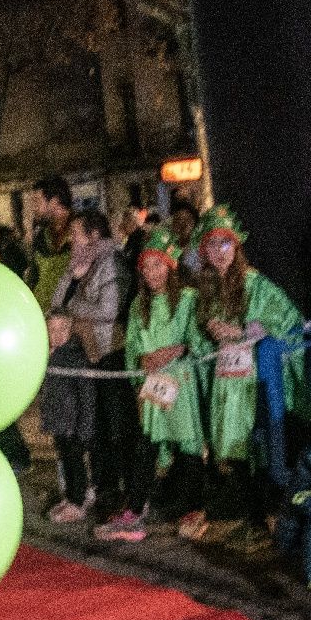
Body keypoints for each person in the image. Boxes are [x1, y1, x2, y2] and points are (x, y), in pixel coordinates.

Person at [182, 204, 304, 552]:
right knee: (235, 454)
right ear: (203, 250)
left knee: (262, 451)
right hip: (226, 382)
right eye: (212, 244)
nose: (219, 252)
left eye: (226, 244)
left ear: (237, 247)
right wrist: (210, 331)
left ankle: (271, 522)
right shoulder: (206, 289)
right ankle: (254, 520)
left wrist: (248, 330)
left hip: (254, 383)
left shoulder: (256, 284)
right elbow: (197, 339)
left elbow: (290, 321)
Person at [104, 228, 203, 539]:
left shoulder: (188, 299)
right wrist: (140, 363)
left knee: (187, 446)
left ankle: (194, 508)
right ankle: (135, 509)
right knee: (146, 444)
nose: (151, 273)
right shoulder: (138, 306)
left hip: (181, 383)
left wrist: (176, 350)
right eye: (145, 267)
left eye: (157, 265)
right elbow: (133, 346)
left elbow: (197, 340)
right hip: (153, 385)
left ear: (170, 266)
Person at [37, 207, 125, 524]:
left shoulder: (110, 262)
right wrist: (72, 283)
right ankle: (83, 490)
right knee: (76, 428)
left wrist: (72, 308)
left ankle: (104, 489)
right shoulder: (76, 265)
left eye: (76, 234)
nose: (71, 240)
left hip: (105, 353)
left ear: (94, 235)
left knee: (102, 425)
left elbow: (109, 309)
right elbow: (57, 303)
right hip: (76, 352)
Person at [26, 176, 74, 310]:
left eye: (37, 201)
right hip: (42, 316)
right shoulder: (41, 236)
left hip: (71, 319)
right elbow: (34, 277)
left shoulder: (83, 233)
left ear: (54, 201)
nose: (34, 208)